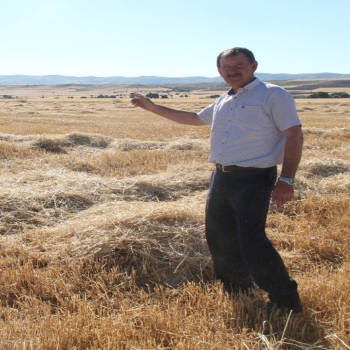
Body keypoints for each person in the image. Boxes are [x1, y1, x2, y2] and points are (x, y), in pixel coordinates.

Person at [130, 47, 304, 315]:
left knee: (252, 241)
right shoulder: (224, 100)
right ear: (219, 72)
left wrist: (287, 179)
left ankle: (285, 299)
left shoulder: (272, 95)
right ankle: (238, 288)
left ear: (254, 65)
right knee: (219, 237)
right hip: (222, 176)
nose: (233, 71)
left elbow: (294, 135)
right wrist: (152, 108)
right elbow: (193, 119)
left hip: (255, 178)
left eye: (239, 65)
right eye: (227, 67)